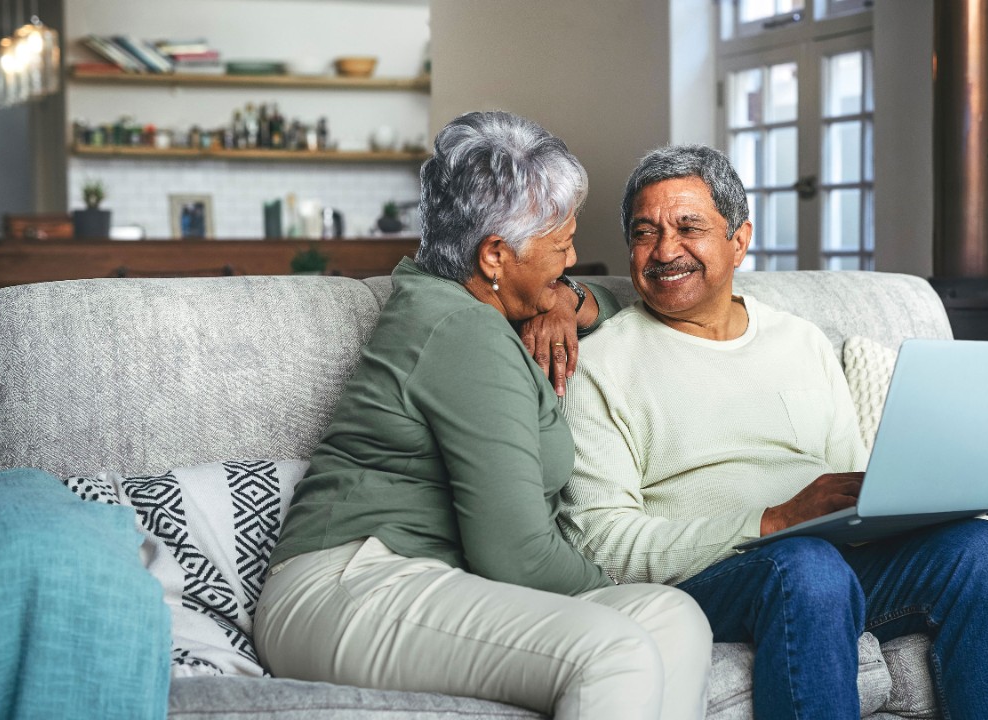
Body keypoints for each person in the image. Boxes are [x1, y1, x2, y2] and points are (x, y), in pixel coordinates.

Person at [255, 113, 712, 720]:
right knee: (614, 649)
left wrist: (567, 302)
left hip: (414, 580)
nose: (573, 257)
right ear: (495, 254)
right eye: (561, 245)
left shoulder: (465, 298)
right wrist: (604, 586)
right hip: (346, 585)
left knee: (672, 616)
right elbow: (516, 554)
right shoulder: (462, 329)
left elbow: (595, 293)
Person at [559, 145, 988, 719]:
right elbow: (601, 544)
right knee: (807, 565)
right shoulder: (598, 363)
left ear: (739, 240)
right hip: (706, 580)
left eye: (689, 227)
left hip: (829, 564)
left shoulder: (801, 341)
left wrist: (912, 504)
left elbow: (847, 487)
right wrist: (774, 521)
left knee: (982, 550)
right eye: (645, 233)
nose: (666, 250)